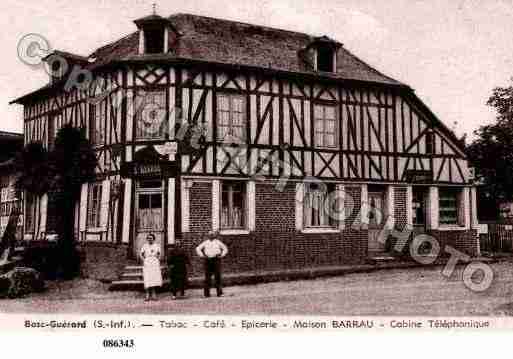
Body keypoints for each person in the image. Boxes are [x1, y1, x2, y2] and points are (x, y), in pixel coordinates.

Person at [195, 231, 228, 298]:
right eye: (210, 235)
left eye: (212, 234)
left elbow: (225, 249)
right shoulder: (206, 242)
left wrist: (221, 255)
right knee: (207, 278)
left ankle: (220, 293)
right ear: (208, 236)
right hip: (208, 261)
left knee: (217, 277)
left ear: (214, 235)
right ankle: (206, 294)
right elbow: (198, 248)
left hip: (216, 260)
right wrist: (202, 255)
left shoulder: (218, 242)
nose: (211, 236)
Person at [140, 233, 163, 301]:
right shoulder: (144, 246)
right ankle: (147, 294)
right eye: (149, 238)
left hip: (154, 263)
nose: (150, 240)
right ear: (147, 239)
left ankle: (153, 294)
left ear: (154, 239)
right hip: (147, 263)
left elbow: (159, 254)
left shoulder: (156, 246)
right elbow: (141, 254)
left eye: (151, 238)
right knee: (147, 277)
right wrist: (144, 260)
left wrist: (157, 259)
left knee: (154, 278)